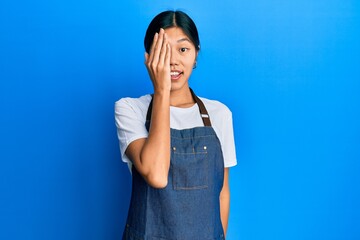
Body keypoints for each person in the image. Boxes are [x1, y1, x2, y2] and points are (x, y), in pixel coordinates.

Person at [115, 10, 237, 240]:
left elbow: (221, 193)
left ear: (196, 55)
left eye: (183, 49)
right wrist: (161, 90)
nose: (173, 60)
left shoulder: (220, 114)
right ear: (149, 57)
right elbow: (157, 175)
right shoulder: (130, 109)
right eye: (163, 50)